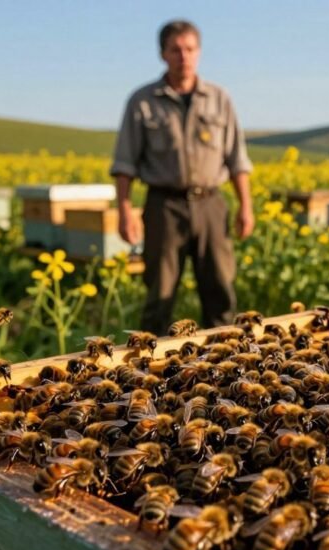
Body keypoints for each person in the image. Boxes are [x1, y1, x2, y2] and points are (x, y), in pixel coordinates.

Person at [110, 19, 254, 334]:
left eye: (189, 49)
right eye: (175, 50)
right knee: (159, 296)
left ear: (199, 52)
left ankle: (227, 367)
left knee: (220, 291)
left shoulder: (219, 98)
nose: (183, 56)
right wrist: (124, 211)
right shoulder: (143, 101)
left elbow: (236, 159)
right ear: (163, 54)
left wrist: (246, 206)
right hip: (164, 206)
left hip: (211, 205)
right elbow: (124, 164)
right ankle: (149, 371)